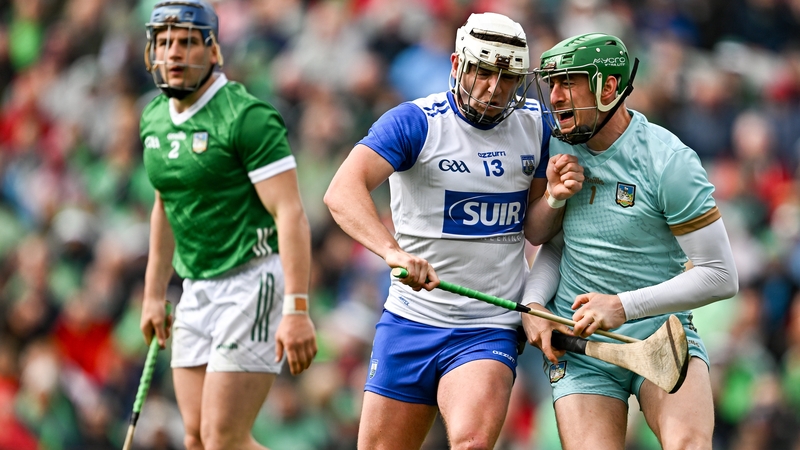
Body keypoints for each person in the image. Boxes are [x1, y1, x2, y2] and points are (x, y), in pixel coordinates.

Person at [324, 12, 584, 450]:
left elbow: (534, 231)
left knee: (471, 444)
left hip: (489, 324)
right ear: (456, 64)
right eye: (483, 71)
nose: (494, 87)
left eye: (507, 77)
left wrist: (555, 197)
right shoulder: (415, 122)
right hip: (411, 320)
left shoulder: (536, 126)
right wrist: (393, 252)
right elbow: (341, 192)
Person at [521, 33, 739, 450]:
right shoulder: (556, 145)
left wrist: (622, 306)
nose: (555, 97)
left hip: (663, 337)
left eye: (569, 82)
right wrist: (534, 303)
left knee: (689, 444)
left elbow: (721, 275)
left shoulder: (668, 162)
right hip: (581, 347)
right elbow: (554, 244)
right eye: (552, 84)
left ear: (608, 87)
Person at [137, 1, 317, 449]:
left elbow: (290, 213)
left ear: (213, 50)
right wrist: (153, 295)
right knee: (196, 438)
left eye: (185, 42)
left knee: (224, 439)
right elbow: (166, 206)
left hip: (250, 282)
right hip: (196, 288)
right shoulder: (154, 118)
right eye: (163, 43)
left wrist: (297, 309)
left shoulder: (247, 118)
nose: (173, 54)